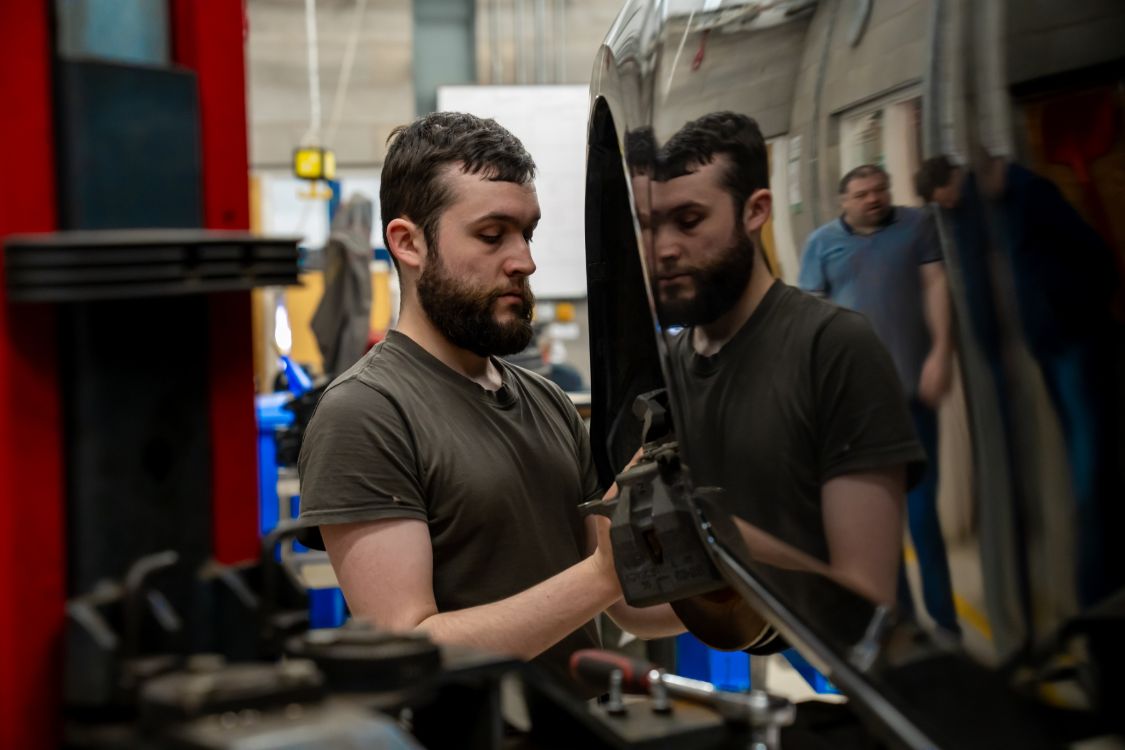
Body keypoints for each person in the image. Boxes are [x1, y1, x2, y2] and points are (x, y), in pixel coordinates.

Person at [296, 112, 683, 697]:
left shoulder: (547, 402)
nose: (524, 261)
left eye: (527, 233)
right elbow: (407, 648)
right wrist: (603, 573)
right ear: (408, 243)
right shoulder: (365, 412)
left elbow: (627, 605)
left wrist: (759, 579)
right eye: (491, 234)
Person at [630, 113, 925, 638]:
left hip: (837, 678)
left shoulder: (834, 346)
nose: (664, 248)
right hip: (733, 673)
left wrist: (705, 531)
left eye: (690, 220)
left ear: (755, 211)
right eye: (649, 225)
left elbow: (867, 600)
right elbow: (645, 611)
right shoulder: (671, 364)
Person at [798, 163, 960, 635]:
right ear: (844, 202)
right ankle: (903, 621)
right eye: (862, 194)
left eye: (880, 190)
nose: (874, 199)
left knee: (925, 517)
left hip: (913, 397)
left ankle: (946, 624)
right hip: (857, 409)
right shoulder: (822, 244)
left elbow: (935, 286)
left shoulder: (917, 226)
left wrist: (941, 354)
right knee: (882, 526)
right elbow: (813, 318)